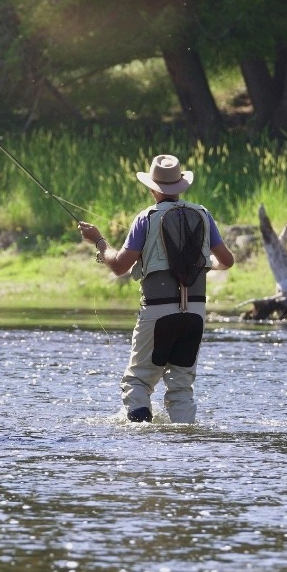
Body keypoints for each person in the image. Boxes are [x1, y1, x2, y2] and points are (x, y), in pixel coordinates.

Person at [79, 154, 236, 424]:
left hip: (157, 311)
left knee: (138, 381)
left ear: (153, 188)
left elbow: (118, 266)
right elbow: (227, 261)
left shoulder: (146, 218)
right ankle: (184, 440)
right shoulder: (203, 214)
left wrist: (99, 241)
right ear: (181, 186)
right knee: (181, 386)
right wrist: (206, 265)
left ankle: (142, 439)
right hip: (195, 313)